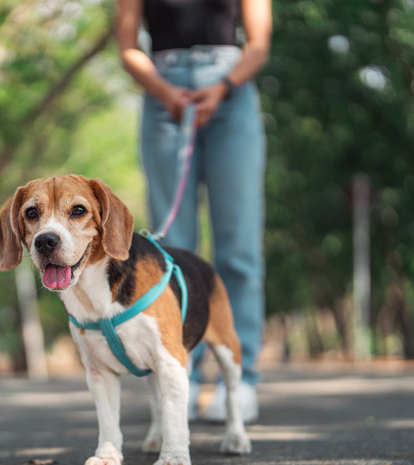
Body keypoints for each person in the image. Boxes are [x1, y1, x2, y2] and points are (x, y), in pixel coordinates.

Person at [116, 0, 271, 422]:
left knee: (238, 248)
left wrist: (222, 87)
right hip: (162, 92)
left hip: (231, 90)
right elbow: (128, 47)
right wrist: (166, 92)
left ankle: (241, 380)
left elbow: (258, 45)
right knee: (172, 254)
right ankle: (181, 377)